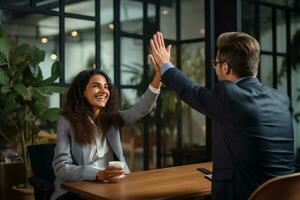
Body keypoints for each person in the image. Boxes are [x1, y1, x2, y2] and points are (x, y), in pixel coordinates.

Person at [149, 31, 295, 200]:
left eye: (215, 63)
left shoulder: (229, 93)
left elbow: (191, 91)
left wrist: (166, 65)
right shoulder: (281, 99)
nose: (216, 67)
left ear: (225, 67)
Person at [51, 69, 161, 200]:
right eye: (96, 86)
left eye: (106, 87)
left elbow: (141, 109)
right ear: (82, 92)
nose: (104, 91)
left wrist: (159, 76)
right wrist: (98, 174)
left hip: (114, 185)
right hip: (79, 189)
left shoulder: (113, 118)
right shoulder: (67, 121)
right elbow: (61, 167)